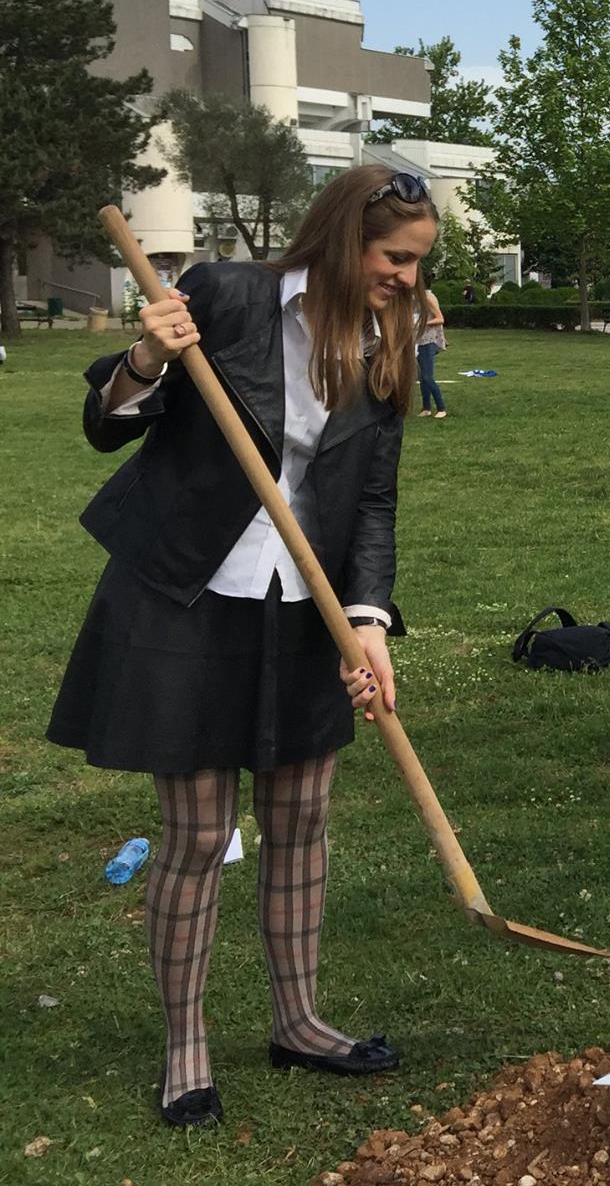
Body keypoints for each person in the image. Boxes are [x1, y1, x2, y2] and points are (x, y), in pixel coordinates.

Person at [48, 163, 434, 1129]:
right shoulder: (227, 295)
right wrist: (148, 357)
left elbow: (372, 499)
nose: (408, 280)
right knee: (196, 834)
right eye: (396, 259)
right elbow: (105, 426)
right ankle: (186, 1047)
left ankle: (298, 1021)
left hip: (306, 605)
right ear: (345, 240)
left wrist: (370, 620)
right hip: (186, 593)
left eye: (418, 264)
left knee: (302, 818)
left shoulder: (388, 341)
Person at [416, 278, 448, 419]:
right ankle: (426, 408)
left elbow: (440, 318)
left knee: (427, 377)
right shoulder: (420, 297)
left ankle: (441, 408)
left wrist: (420, 324)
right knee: (422, 378)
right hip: (419, 340)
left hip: (427, 341)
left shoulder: (428, 297)